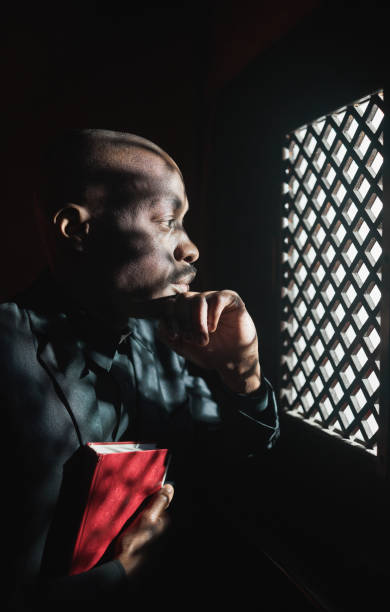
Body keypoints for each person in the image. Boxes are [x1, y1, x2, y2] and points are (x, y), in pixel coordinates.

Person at [2, 129, 279, 610]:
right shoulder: (8, 351)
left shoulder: (164, 340)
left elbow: (241, 460)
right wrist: (120, 574)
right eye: (168, 222)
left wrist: (243, 373)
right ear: (77, 230)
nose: (191, 249)